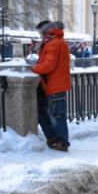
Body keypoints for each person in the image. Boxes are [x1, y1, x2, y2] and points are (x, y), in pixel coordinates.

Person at [33, 21, 72, 152]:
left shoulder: (54, 43)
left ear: (46, 32)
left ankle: (61, 142)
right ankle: (55, 140)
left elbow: (49, 65)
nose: (40, 36)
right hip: (52, 85)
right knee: (47, 113)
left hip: (55, 85)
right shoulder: (55, 42)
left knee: (57, 115)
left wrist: (33, 69)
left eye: (41, 33)